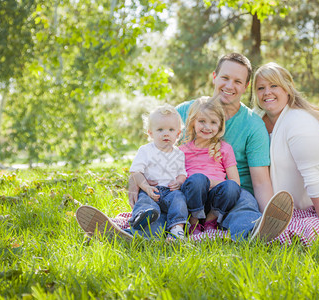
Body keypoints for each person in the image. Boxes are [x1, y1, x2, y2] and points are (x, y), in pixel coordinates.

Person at [129, 53, 294, 242]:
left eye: (238, 81)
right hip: (185, 190)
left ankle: (255, 231)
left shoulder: (253, 125)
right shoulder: (184, 111)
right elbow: (155, 143)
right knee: (162, 200)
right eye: (225, 78)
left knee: (245, 202)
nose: (230, 86)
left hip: (226, 195)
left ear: (246, 87)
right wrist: (134, 180)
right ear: (214, 77)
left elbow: (261, 182)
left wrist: (268, 213)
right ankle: (142, 235)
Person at [252, 62, 319, 227]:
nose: (267, 92)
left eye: (274, 85)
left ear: (287, 88)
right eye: (260, 88)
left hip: (299, 206)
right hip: (262, 203)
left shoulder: (302, 122)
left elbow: (313, 175)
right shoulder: (256, 118)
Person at [76, 104, 188, 240]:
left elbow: (182, 173)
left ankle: (177, 229)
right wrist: (146, 187)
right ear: (150, 133)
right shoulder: (146, 150)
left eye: (171, 130)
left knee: (179, 199)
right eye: (160, 130)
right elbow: (136, 172)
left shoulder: (179, 154)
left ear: (178, 134)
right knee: (148, 207)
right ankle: (141, 218)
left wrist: (179, 182)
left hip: (170, 192)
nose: (166, 133)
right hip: (151, 190)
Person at [179, 96, 241, 235]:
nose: (207, 127)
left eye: (213, 122)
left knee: (231, 187)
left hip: (216, 200)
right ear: (192, 122)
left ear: (220, 125)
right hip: (192, 196)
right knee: (198, 180)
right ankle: (194, 223)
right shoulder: (182, 150)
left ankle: (210, 221)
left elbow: (236, 182)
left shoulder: (224, 149)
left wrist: (210, 183)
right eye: (202, 121)